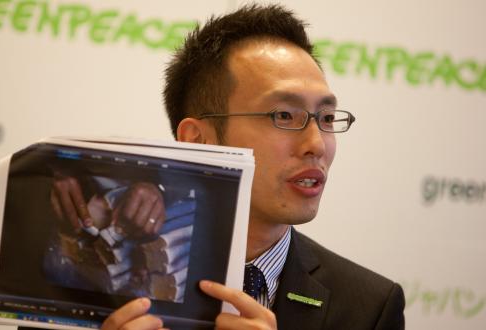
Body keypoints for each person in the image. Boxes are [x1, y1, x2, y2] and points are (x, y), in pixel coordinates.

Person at [23, 3, 405, 330]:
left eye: (326, 117)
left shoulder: (369, 307)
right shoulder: (74, 285)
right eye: (284, 115)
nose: (316, 145)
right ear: (198, 140)